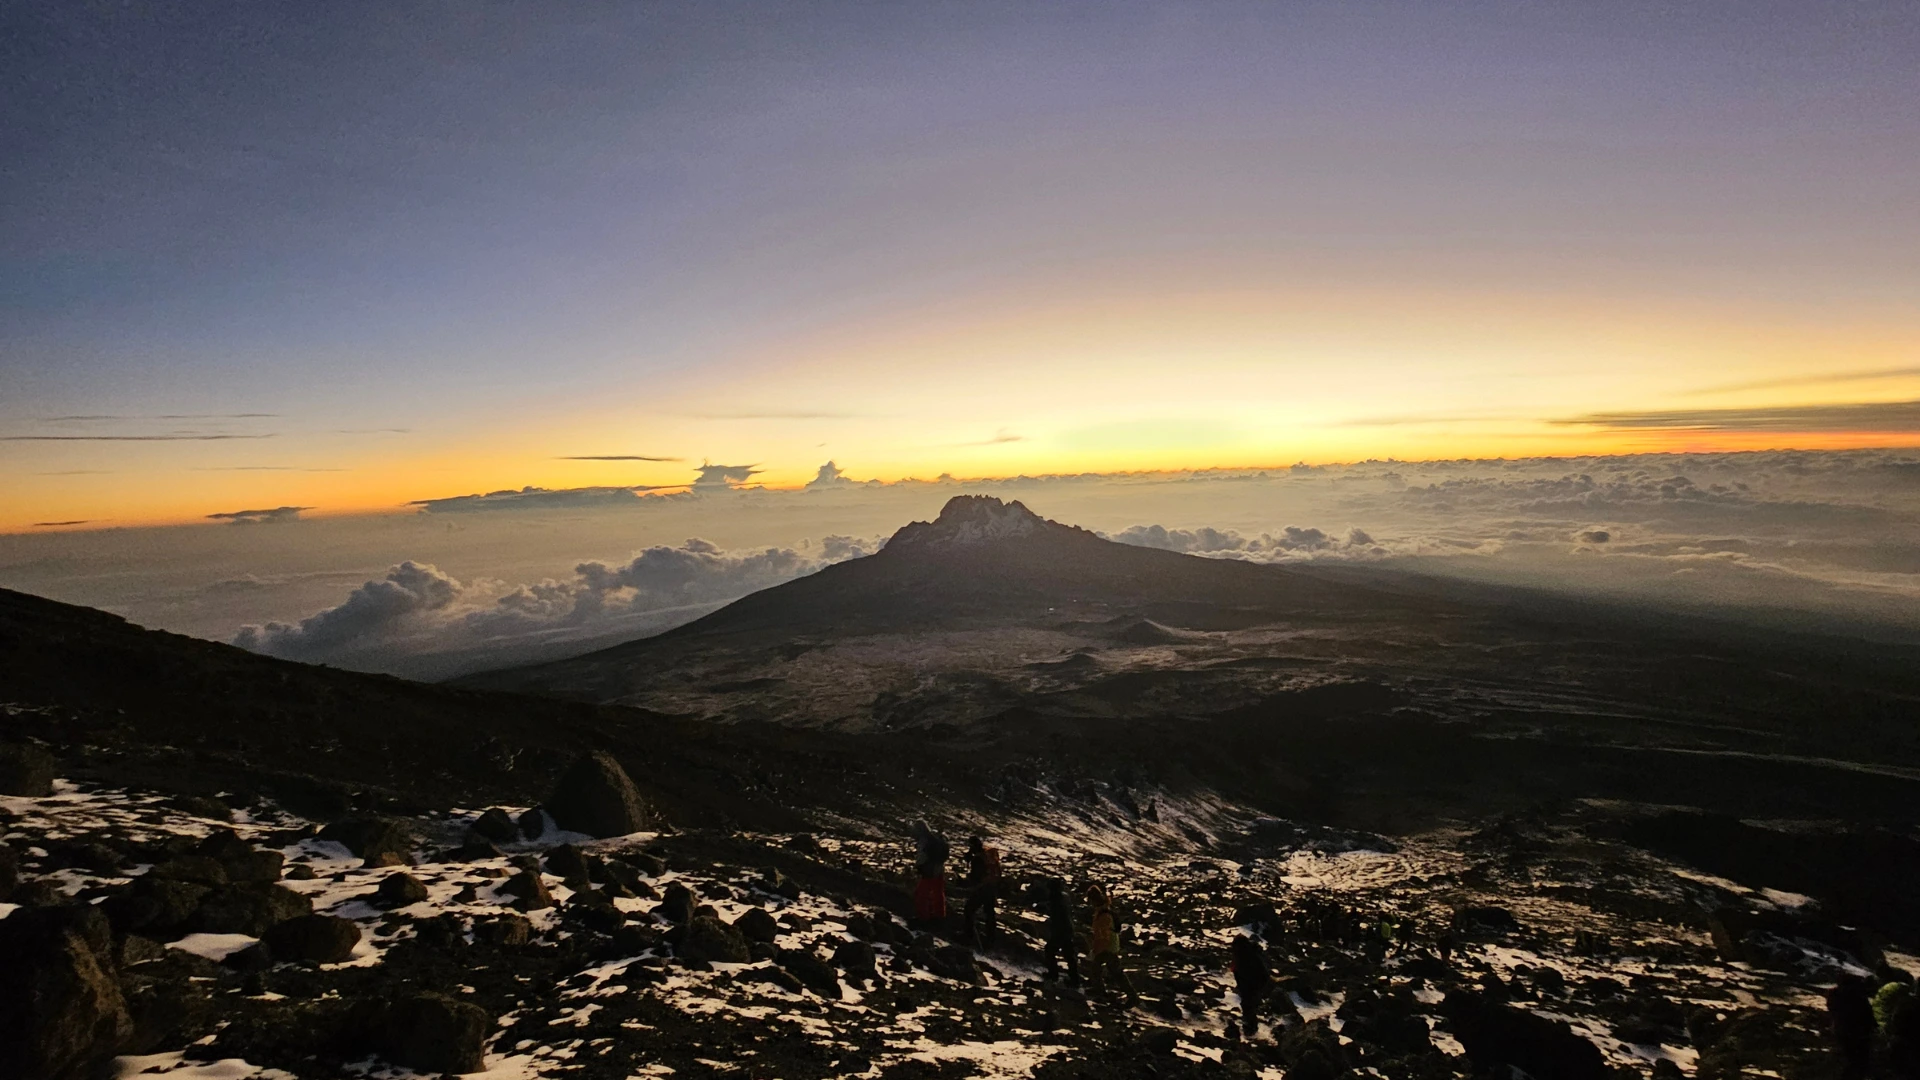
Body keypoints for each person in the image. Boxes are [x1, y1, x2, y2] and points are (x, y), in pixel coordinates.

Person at [1084, 884, 1137, 1003]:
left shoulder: (1103, 915)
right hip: (1110, 945)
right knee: (1106, 969)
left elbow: (1103, 936)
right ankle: (1101, 990)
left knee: (1110, 970)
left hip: (1108, 946)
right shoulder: (1104, 910)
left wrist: (1096, 950)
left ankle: (1132, 997)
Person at [1826, 975, 1876, 1080]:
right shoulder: (1859, 996)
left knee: (1849, 1058)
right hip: (1859, 1032)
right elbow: (1867, 1014)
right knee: (1860, 1060)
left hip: (1841, 1029)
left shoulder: (1835, 995)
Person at [1230, 931, 1272, 1040]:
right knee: (1247, 1005)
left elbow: (1259, 972)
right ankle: (1250, 1028)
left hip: (1252, 984)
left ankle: (1251, 1030)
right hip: (1249, 984)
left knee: (1248, 1005)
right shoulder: (1243, 954)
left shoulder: (1248, 955)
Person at [963, 835, 1002, 947]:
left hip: (982, 888)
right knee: (989, 912)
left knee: (969, 909)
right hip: (992, 886)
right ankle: (991, 938)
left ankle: (969, 935)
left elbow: (975, 877)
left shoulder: (978, 859)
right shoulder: (988, 854)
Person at [1041, 877, 1080, 986]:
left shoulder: (1055, 899)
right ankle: (1074, 980)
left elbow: (1056, 916)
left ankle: (1054, 974)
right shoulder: (1064, 897)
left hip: (1060, 930)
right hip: (1067, 929)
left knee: (1050, 951)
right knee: (1069, 955)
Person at [910, 821, 950, 927]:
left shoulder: (924, 840)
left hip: (929, 870)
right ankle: (939, 916)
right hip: (939, 869)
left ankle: (923, 918)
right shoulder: (935, 839)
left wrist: (918, 867)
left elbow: (921, 857)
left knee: (921, 894)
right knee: (938, 894)